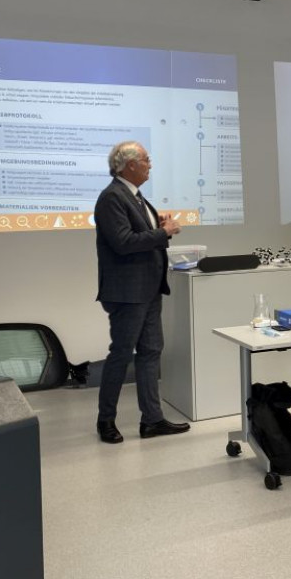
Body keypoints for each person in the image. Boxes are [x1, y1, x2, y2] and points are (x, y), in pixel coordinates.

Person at [94, 141, 189, 444]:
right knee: (122, 355)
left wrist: (157, 227)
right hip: (127, 293)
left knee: (150, 352)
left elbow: (139, 236)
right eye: (147, 160)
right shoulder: (112, 197)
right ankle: (106, 420)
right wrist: (164, 232)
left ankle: (152, 420)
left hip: (148, 289)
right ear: (130, 165)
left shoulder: (136, 197)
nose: (151, 165)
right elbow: (123, 243)